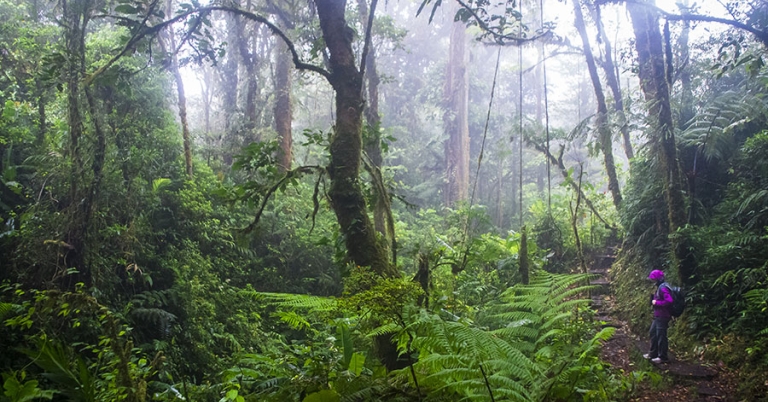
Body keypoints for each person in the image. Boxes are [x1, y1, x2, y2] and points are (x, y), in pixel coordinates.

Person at [643, 269, 673, 363]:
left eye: (653, 279)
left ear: (658, 279)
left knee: (661, 336)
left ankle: (663, 357)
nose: (652, 281)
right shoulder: (660, 286)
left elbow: (669, 301)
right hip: (658, 315)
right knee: (653, 332)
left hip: (663, 316)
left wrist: (656, 302)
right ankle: (653, 353)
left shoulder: (663, 288)